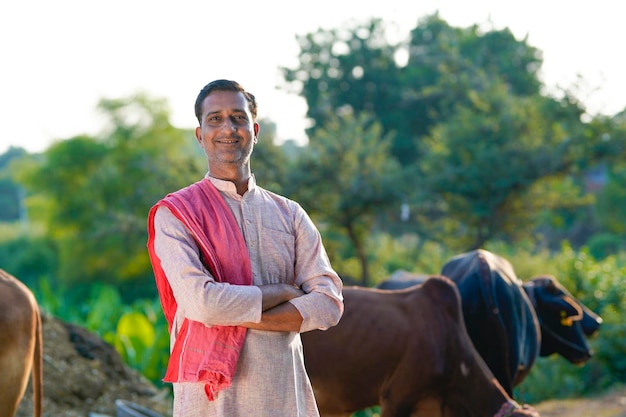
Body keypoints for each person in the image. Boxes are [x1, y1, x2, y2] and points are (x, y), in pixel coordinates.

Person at [146, 79, 344, 417]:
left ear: (254, 130)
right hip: (210, 401)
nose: (228, 127)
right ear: (200, 134)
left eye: (238, 117)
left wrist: (232, 312)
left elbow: (328, 304)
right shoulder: (176, 214)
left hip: (282, 393)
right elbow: (202, 303)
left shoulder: (289, 213)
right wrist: (283, 291)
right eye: (215, 119)